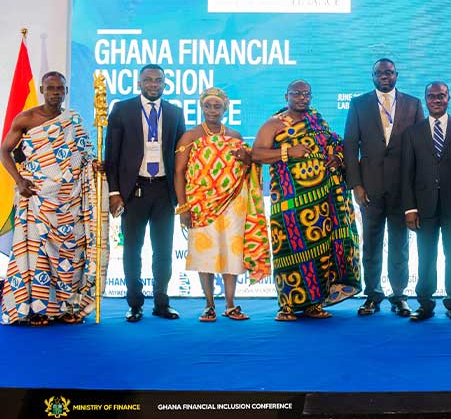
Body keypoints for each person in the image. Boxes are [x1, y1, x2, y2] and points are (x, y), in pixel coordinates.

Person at [0, 72, 106, 325]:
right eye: (51, 88)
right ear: (42, 89)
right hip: (36, 198)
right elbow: (4, 151)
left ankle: (66, 307)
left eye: (61, 88)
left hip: (70, 202)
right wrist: (19, 180)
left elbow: (86, 155)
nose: (56, 92)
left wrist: (96, 166)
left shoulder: (74, 120)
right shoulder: (26, 118)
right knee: (36, 255)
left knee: (71, 255)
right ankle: (36, 310)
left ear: (66, 91)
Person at [253, 80, 361, 321]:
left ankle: (314, 303)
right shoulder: (274, 124)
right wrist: (287, 152)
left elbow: (335, 143)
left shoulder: (317, 121)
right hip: (289, 203)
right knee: (288, 252)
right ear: (286, 96)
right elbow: (257, 153)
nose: (302, 97)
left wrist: (335, 158)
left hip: (321, 201)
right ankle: (287, 307)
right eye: (296, 93)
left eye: (306, 94)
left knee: (320, 251)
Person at [173, 88, 271, 322]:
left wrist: (247, 159)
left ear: (226, 108)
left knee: (231, 252)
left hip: (233, 204)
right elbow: (179, 172)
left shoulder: (235, 136)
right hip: (200, 204)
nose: (213, 110)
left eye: (217, 106)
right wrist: (183, 208)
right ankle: (208, 305)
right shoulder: (190, 137)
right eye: (208, 106)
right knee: (204, 254)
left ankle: (230, 303)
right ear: (202, 107)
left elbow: (248, 168)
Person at [343, 58, 424, 317]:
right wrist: (356, 185)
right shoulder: (359, 104)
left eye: (389, 72)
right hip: (371, 188)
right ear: (372, 76)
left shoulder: (413, 104)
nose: (384, 76)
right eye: (379, 73)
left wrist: (417, 189)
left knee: (400, 244)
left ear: (397, 75)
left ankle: (399, 296)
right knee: (372, 244)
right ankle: (372, 295)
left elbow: (421, 148)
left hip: (403, 189)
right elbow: (349, 145)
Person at [105, 64, 185, 322]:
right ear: (139, 83)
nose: (153, 84)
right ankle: (135, 303)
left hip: (164, 190)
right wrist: (114, 192)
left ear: (164, 83)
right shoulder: (122, 109)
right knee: (132, 249)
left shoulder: (175, 112)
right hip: (133, 190)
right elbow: (112, 155)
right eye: (148, 80)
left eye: (158, 80)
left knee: (164, 249)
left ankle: (162, 302)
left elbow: (181, 157)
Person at [401, 82, 451, 323]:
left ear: (448, 98)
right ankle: (425, 304)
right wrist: (410, 208)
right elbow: (407, 174)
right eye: (431, 96)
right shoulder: (412, 133)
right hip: (423, 208)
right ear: (425, 100)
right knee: (426, 256)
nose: (436, 100)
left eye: (441, 96)